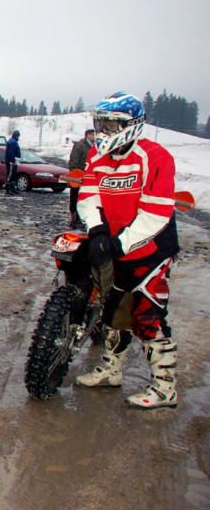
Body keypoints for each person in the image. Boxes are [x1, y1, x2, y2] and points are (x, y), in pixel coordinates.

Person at [74, 92, 180, 409]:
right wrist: (96, 230)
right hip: (118, 247)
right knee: (114, 311)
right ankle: (111, 370)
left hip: (152, 249)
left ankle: (165, 387)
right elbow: (88, 194)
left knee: (148, 316)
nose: (102, 130)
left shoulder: (155, 157)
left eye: (109, 124)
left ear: (130, 125)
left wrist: (120, 241)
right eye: (99, 123)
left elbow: (156, 214)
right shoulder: (97, 155)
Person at [67, 128, 95, 228]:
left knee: (86, 199)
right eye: (92, 134)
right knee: (75, 198)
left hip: (90, 178)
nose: (94, 136)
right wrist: (75, 176)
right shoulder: (80, 146)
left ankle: (84, 218)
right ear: (87, 135)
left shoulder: (96, 147)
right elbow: (73, 162)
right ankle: (74, 219)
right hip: (78, 177)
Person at [4, 130, 21, 195]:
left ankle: (12, 188)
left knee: (13, 175)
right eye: (18, 136)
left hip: (14, 161)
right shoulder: (13, 142)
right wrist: (13, 161)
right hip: (11, 162)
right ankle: (7, 189)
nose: (18, 137)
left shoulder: (13, 141)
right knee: (10, 174)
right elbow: (11, 152)